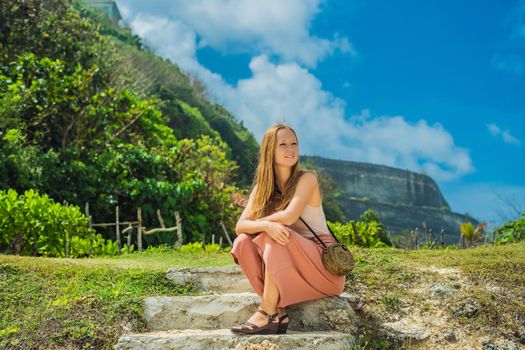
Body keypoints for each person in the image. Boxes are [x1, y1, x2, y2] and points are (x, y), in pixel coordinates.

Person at [230, 123, 346, 335]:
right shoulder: (261, 190)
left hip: (324, 266)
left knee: (276, 233)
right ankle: (278, 311)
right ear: (269, 150)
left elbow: (289, 216)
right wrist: (265, 225)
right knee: (243, 242)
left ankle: (266, 311)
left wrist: (266, 226)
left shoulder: (307, 178)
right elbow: (240, 227)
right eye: (282, 144)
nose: (290, 149)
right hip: (291, 262)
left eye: (294, 144)